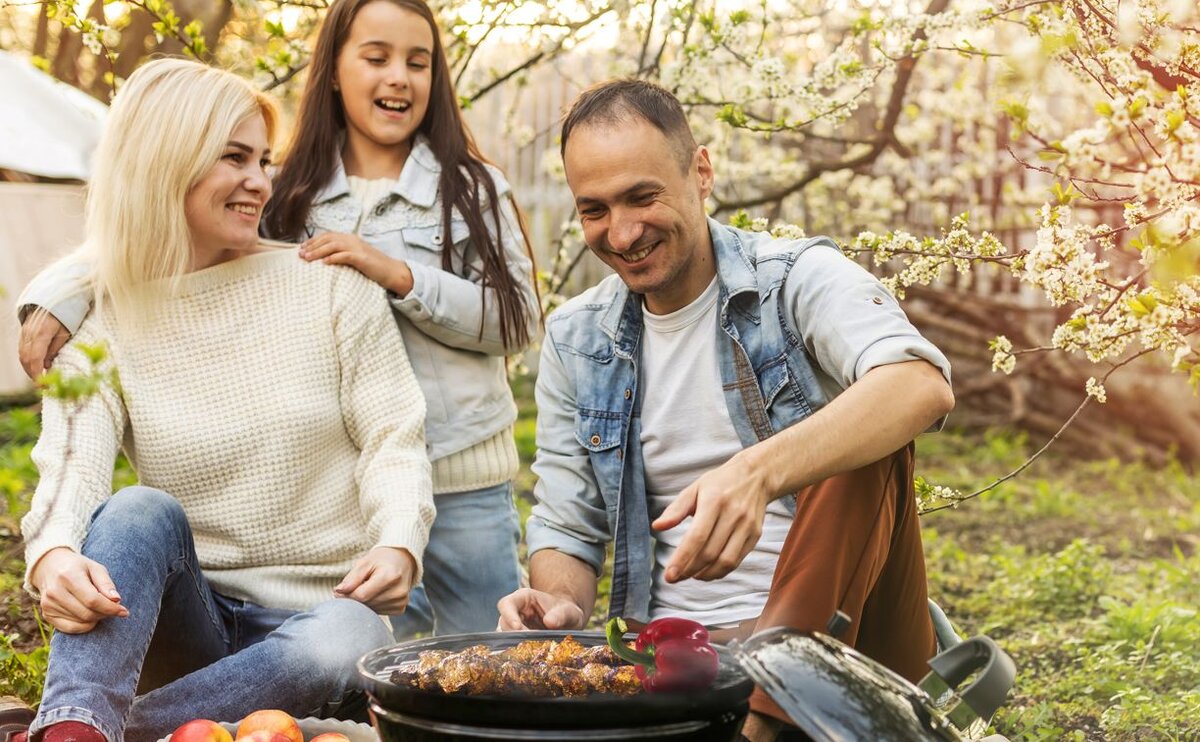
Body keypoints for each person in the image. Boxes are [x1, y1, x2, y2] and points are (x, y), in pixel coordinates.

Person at [17, 0, 540, 638]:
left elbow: (518, 322)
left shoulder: (470, 187)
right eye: (376, 58)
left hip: (459, 477)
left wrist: (395, 273)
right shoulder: (289, 189)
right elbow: (159, 231)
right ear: (333, 72)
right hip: (350, 495)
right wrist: (60, 293)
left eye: (418, 61)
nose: (398, 76)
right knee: (381, 671)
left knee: (487, 658)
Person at [496, 79, 955, 740]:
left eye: (642, 196)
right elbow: (569, 526)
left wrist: (760, 471)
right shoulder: (579, 338)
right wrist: (559, 601)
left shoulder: (795, 280)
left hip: (853, 657)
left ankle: (765, 722)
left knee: (868, 440)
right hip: (668, 664)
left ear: (701, 172)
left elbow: (919, 383)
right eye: (593, 209)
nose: (621, 233)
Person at [15, 58, 434, 742]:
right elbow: (72, 468)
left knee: (351, 632)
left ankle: (80, 729)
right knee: (135, 509)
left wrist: (397, 544)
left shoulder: (327, 286)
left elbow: (395, 439)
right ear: (166, 163)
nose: (260, 182)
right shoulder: (105, 316)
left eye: (263, 160)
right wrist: (54, 553)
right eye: (235, 158)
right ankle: (79, 723)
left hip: (322, 623)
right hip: (192, 627)